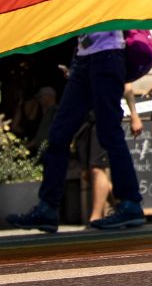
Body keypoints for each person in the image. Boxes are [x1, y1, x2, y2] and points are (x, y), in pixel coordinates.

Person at [6, 32, 144, 232]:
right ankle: (48, 208)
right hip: (83, 59)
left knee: (109, 133)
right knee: (59, 133)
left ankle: (131, 203)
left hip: (107, 55)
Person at [82, 84, 142, 224]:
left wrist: (134, 115)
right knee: (87, 173)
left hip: (103, 119)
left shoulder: (111, 62)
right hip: (86, 121)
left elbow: (127, 87)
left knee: (97, 168)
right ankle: (120, 206)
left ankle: (96, 216)